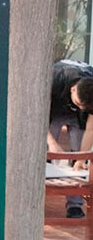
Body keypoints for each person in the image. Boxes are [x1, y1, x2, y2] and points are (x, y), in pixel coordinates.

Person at [48, 59, 93, 217]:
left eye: (84, 107)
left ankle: (75, 205)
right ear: (73, 89)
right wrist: (52, 143)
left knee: (79, 157)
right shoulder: (53, 79)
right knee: (45, 150)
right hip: (53, 110)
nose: (81, 108)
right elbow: (37, 118)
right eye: (79, 103)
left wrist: (82, 158)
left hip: (77, 119)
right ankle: (38, 196)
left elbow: (90, 129)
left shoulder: (90, 91)